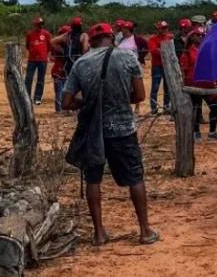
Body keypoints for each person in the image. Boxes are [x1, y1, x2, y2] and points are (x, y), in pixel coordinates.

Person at [61, 23, 158, 246]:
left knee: (93, 179)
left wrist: (88, 103)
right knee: (135, 177)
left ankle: (99, 234)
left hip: (93, 130)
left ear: (92, 41)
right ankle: (144, 231)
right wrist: (120, 100)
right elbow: (140, 95)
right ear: (111, 38)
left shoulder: (81, 63)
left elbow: (66, 102)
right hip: (123, 127)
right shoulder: (127, 58)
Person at [180, 28, 217, 142]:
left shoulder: (208, 50)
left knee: (215, 106)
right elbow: (183, 70)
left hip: (209, 83)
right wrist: (184, 85)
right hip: (194, 84)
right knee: (196, 109)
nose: (201, 37)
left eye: (203, 35)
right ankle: (196, 132)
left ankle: (212, 132)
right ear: (192, 37)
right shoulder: (187, 52)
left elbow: (214, 65)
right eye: (198, 35)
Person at [24, 17, 51, 106]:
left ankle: (37, 98)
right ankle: (27, 97)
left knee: (40, 79)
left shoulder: (46, 34)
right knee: (28, 78)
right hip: (32, 59)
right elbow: (27, 45)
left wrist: (44, 54)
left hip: (42, 60)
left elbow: (49, 46)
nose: (39, 26)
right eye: (38, 24)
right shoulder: (30, 34)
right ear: (34, 25)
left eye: (41, 24)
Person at [147, 21, 173, 115]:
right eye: (163, 28)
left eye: (166, 27)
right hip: (157, 65)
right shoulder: (152, 39)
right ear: (158, 29)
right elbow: (154, 51)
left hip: (167, 65)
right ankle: (154, 108)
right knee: (155, 87)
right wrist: (165, 50)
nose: (165, 29)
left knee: (168, 87)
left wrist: (161, 50)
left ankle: (166, 107)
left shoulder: (170, 37)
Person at [51, 24, 71, 113]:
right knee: (59, 91)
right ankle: (59, 109)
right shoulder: (59, 46)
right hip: (58, 70)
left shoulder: (67, 46)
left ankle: (63, 108)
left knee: (63, 90)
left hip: (63, 70)